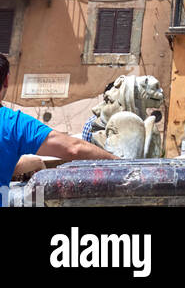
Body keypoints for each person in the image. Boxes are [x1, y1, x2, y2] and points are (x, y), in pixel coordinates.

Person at [0, 53, 114, 198]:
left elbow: (9, 165)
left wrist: (36, 162)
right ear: (6, 81)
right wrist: (121, 164)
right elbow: (74, 149)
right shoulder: (14, 124)